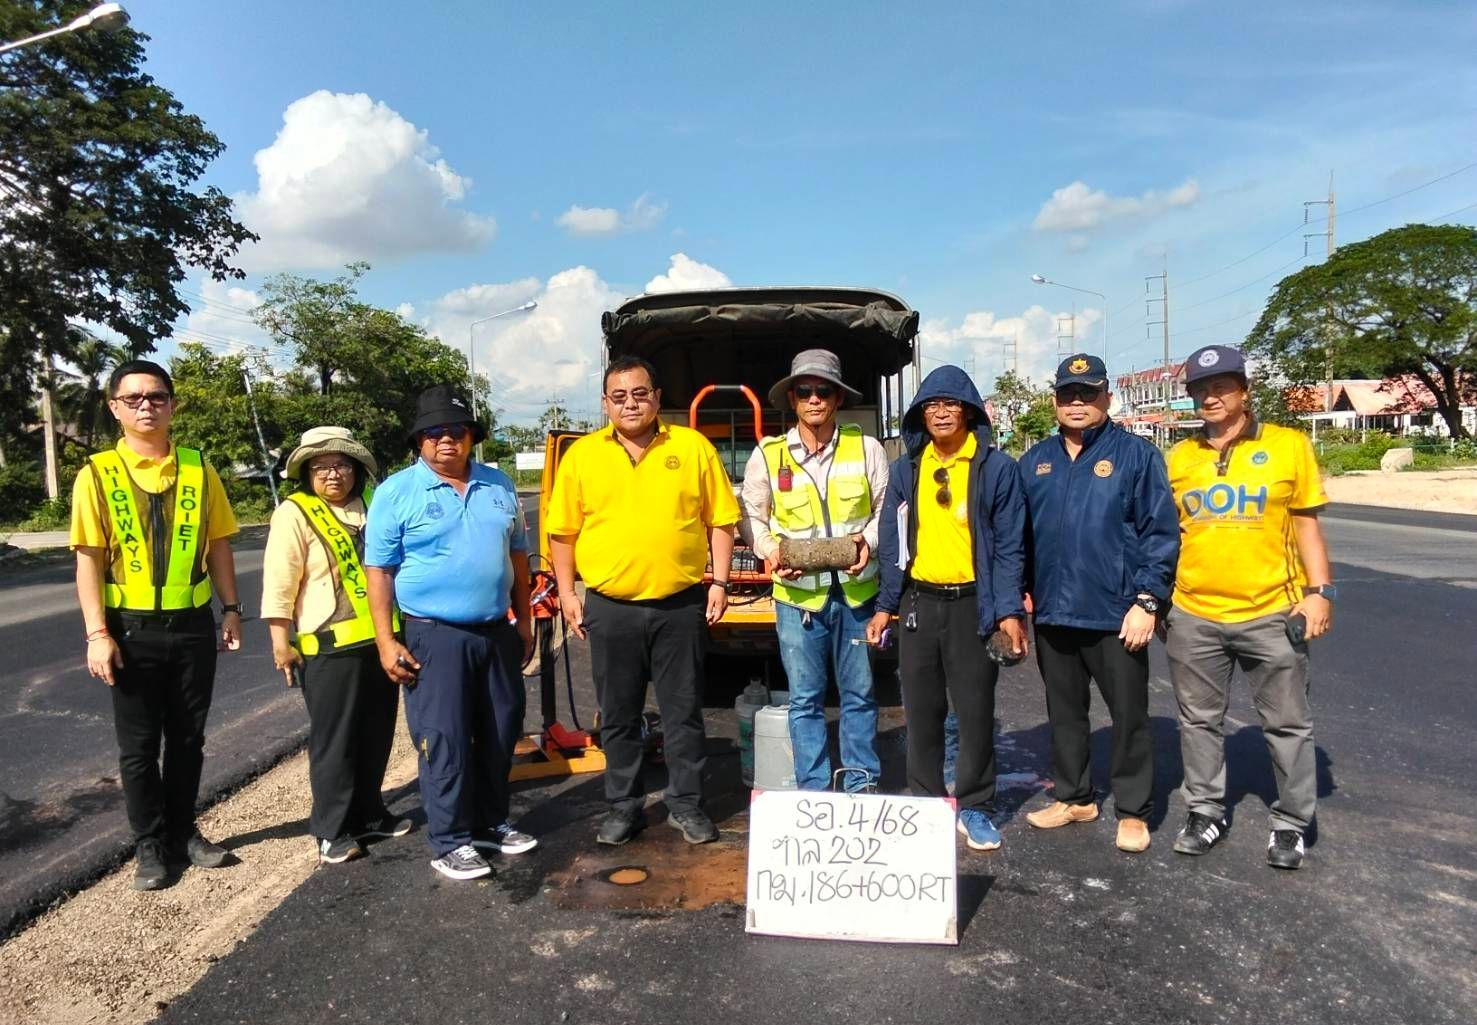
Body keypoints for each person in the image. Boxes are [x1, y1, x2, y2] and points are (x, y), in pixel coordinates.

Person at [546, 355, 740, 847]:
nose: (630, 404)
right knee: (618, 715)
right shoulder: (583, 457)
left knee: (683, 712)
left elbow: (721, 520)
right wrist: (567, 592)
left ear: (656, 397)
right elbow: (562, 532)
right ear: (605, 403)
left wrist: (719, 582)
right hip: (611, 607)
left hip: (680, 605)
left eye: (639, 394)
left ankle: (686, 804)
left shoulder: (692, 447)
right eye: (619, 396)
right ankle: (624, 806)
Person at [71, 359, 242, 891]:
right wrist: (97, 634)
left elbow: (218, 545)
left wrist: (231, 608)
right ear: (115, 407)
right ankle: (149, 844)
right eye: (134, 398)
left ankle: (184, 833)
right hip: (129, 630)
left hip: (191, 626)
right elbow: (88, 559)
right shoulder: (97, 473)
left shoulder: (198, 468)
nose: (146, 406)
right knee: (140, 746)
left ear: (173, 404)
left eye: (157, 397)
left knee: (188, 738)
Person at [1164, 345, 1334, 870]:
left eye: (1221, 386)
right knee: (1198, 722)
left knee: (1287, 724)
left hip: (1272, 611)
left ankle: (1291, 824)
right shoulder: (1179, 457)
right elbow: (1166, 534)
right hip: (1194, 612)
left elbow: (1306, 524)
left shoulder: (1287, 445)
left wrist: (1319, 592)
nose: (1210, 397)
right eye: (1200, 389)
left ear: (1244, 390)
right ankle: (1205, 812)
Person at [364, 386, 535, 882]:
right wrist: (385, 640)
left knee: (501, 731)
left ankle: (491, 822)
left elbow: (517, 556)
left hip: (495, 631)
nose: (447, 440)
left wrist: (524, 620)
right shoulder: (396, 492)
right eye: (435, 432)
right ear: (419, 440)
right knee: (445, 739)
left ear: (471, 437)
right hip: (433, 635)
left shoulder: (499, 484)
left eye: (457, 431)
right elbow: (380, 571)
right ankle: (451, 840)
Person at [1019, 354, 1179, 853]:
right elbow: (1018, 535)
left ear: (1107, 397)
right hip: (1053, 611)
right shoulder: (1035, 460)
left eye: (1088, 393)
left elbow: (1160, 534)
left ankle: (1133, 811)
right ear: (1054, 401)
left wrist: (1148, 602)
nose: (1077, 402)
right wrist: (1018, 593)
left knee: (1129, 716)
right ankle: (1075, 797)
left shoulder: (1136, 456)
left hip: (1117, 613)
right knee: (1065, 713)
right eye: (1068, 394)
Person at [867, 365, 1028, 851]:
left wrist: (1009, 612)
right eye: (931, 405)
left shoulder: (996, 469)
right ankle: (926, 804)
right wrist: (885, 606)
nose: (940, 412)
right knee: (922, 711)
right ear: (920, 415)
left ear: (969, 411)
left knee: (975, 712)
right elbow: (893, 545)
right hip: (920, 604)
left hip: (973, 605)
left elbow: (1009, 549)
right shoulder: (906, 470)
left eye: (951, 404)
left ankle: (975, 806)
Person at [739, 349, 889, 793]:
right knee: (805, 700)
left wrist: (868, 542)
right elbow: (751, 516)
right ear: (793, 399)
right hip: (797, 601)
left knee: (859, 695)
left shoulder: (867, 449)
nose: (814, 399)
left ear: (838, 398)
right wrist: (771, 551)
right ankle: (814, 793)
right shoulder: (769, 455)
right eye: (804, 391)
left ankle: (860, 785)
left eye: (824, 390)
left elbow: (886, 510)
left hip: (858, 595)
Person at [262, 427, 410, 866]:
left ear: (356, 469)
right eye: (321, 467)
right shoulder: (294, 513)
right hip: (329, 649)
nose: (333, 474)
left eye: (342, 465)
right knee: (336, 741)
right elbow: (280, 580)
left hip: (381, 641)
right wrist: (280, 641)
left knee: (377, 732)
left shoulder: (372, 507)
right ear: (307, 473)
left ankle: (370, 812)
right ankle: (333, 829)